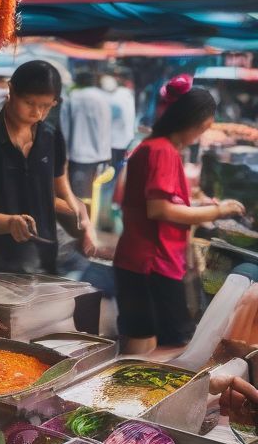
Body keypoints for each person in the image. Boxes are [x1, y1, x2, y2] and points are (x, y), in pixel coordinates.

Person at [114, 87, 244, 354]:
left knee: (146, 338)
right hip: (151, 264)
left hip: (144, 260)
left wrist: (197, 205)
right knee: (162, 344)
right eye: (203, 127)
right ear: (189, 121)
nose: (201, 134)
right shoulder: (162, 151)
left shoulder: (155, 147)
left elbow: (162, 204)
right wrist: (217, 212)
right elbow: (159, 209)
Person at [0, 60, 97, 275]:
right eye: (29, 102)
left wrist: (82, 217)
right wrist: (10, 223)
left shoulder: (51, 136)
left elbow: (59, 191)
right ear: (11, 90)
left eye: (46, 106)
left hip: (43, 255)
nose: (37, 112)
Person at [61, 70, 112, 202]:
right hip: (102, 155)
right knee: (95, 196)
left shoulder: (72, 97)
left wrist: (63, 153)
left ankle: (80, 221)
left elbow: (64, 127)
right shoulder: (103, 97)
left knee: (78, 197)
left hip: (79, 156)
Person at [104, 71, 137, 171]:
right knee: (118, 170)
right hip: (125, 139)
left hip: (114, 141)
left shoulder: (116, 96)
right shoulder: (129, 95)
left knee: (109, 172)